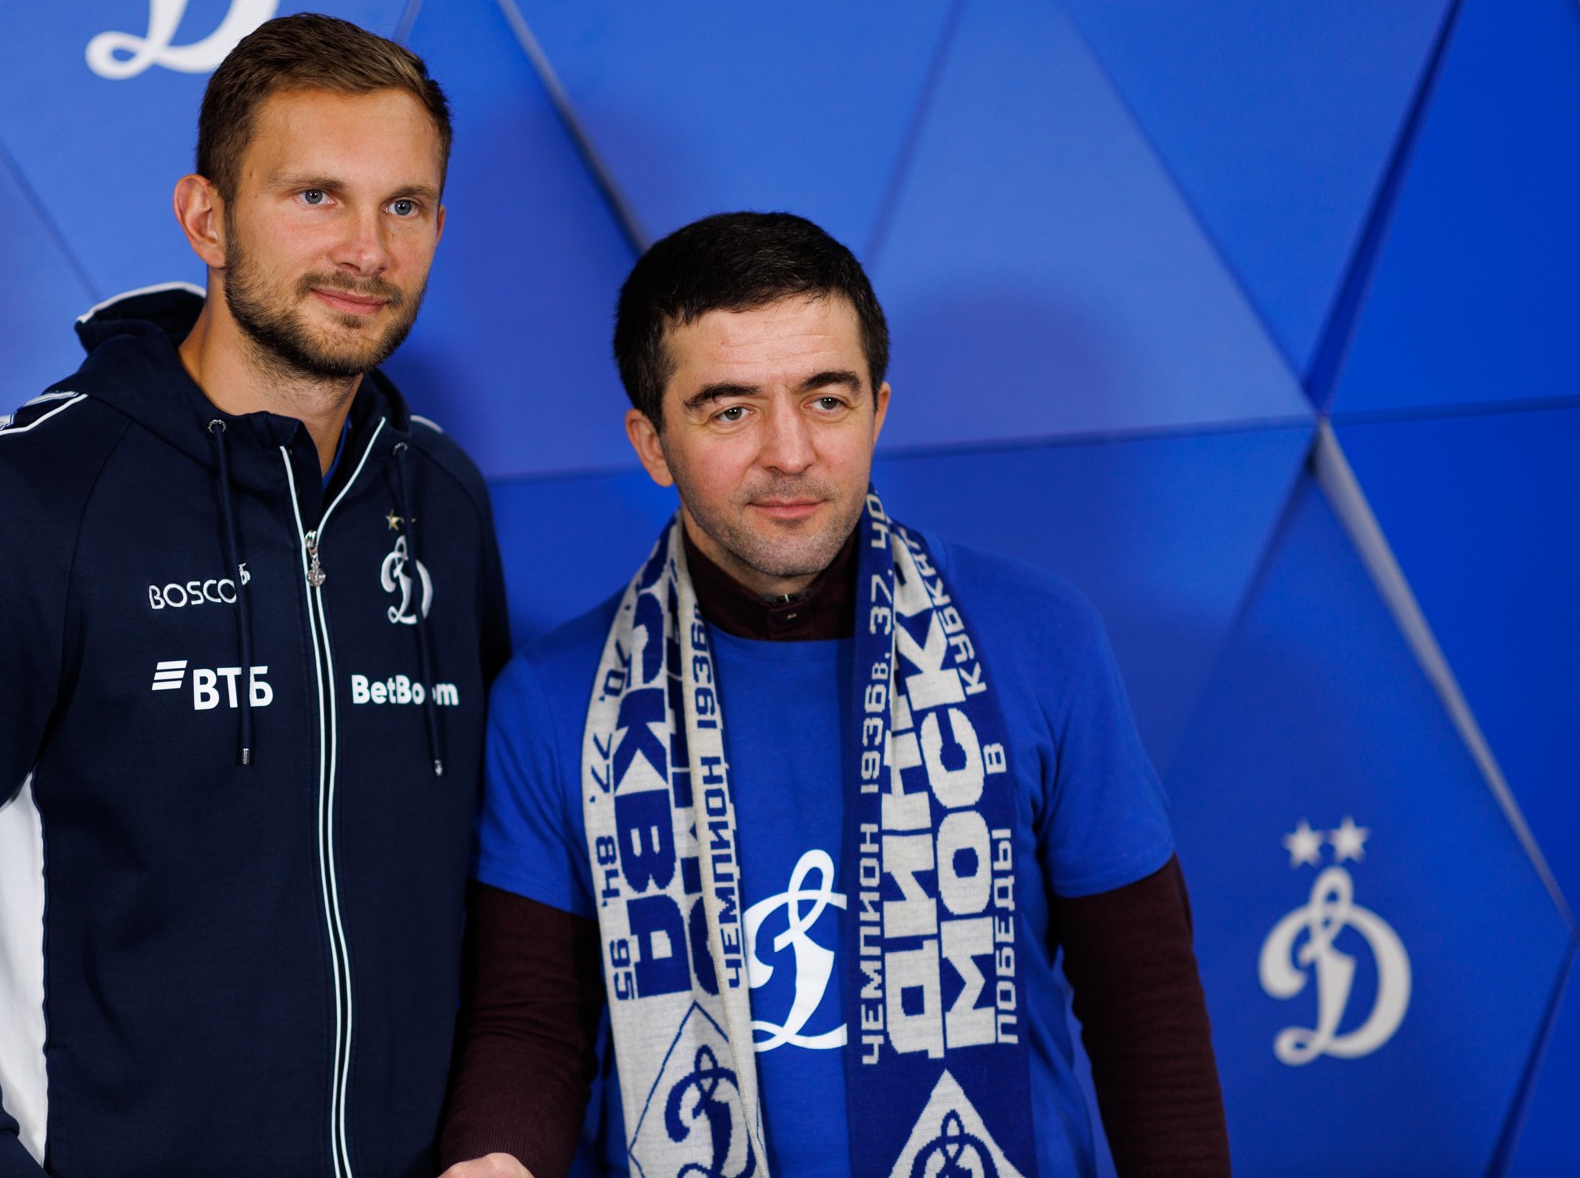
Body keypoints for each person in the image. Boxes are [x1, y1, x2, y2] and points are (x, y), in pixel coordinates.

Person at [0, 13, 509, 1177]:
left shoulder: (441, 500)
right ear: (205, 217)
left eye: (403, 205)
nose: (367, 249)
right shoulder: (20, 497)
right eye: (316, 196)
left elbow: (496, 888)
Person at [438, 212, 1228, 1177]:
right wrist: (494, 1157)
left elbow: (1143, 1003)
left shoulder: (1043, 639)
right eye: (730, 409)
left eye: (826, 399)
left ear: (877, 410)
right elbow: (531, 1024)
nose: (790, 452)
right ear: (653, 442)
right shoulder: (553, 698)